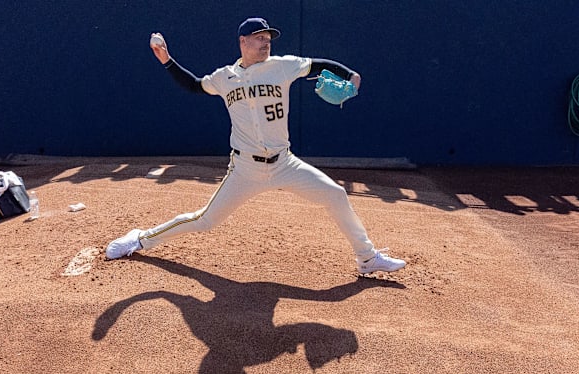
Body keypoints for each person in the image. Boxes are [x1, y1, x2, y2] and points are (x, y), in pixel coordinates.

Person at [106, 17, 406, 274]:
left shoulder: (282, 66)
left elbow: (321, 64)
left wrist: (352, 76)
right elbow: (194, 85)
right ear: (243, 41)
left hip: (285, 163)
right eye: (259, 38)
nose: (266, 43)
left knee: (336, 194)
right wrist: (167, 60)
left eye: (268, 39)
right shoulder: (225, 77)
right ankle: (140, 239)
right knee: (206, 220)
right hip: (245, 169)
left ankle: (367, 258)